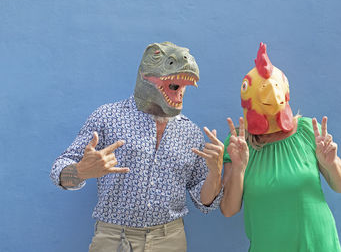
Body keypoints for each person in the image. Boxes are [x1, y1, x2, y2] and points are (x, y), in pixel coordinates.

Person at [50, 42, 223, 252]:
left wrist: (215, 172)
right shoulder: (107, 117)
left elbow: (205, 202)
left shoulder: (192, 133)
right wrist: (80, 171)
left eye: (180, 87)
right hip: (114, 239)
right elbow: (59, 168)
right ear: (143, 73)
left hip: (170, 240)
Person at [219, 43, 341, 252]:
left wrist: (331, 163)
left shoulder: (309, 130)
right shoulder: (238, 143)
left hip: (317, 245)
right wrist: (238, 168)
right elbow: (229, 210)